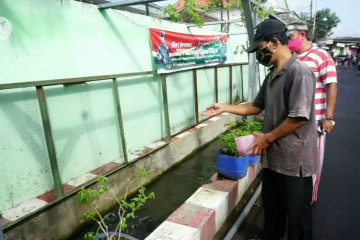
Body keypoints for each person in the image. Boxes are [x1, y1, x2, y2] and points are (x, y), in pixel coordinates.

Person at [203, 18, 317, 240]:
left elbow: (299, 118)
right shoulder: (272, 75)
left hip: (295, 163)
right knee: (272, 216)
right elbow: (255, 107)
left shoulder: (299, 72)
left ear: (274, 42)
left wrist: (267, 138)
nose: (258, 54)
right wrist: (223, 107)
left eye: (260, 48)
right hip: (273, 159)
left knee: (298, 221)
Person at [286, 20, 338, 204]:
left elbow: (331, 84)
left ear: (302, 35)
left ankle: (309, 197)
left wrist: (328, 118)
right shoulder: (291, 57)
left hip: (315, 120)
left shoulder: (320, 55)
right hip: (293, 119)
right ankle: (295, 193)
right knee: (294, 157)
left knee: (313, 160)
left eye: (290, 37)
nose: (288, 41)